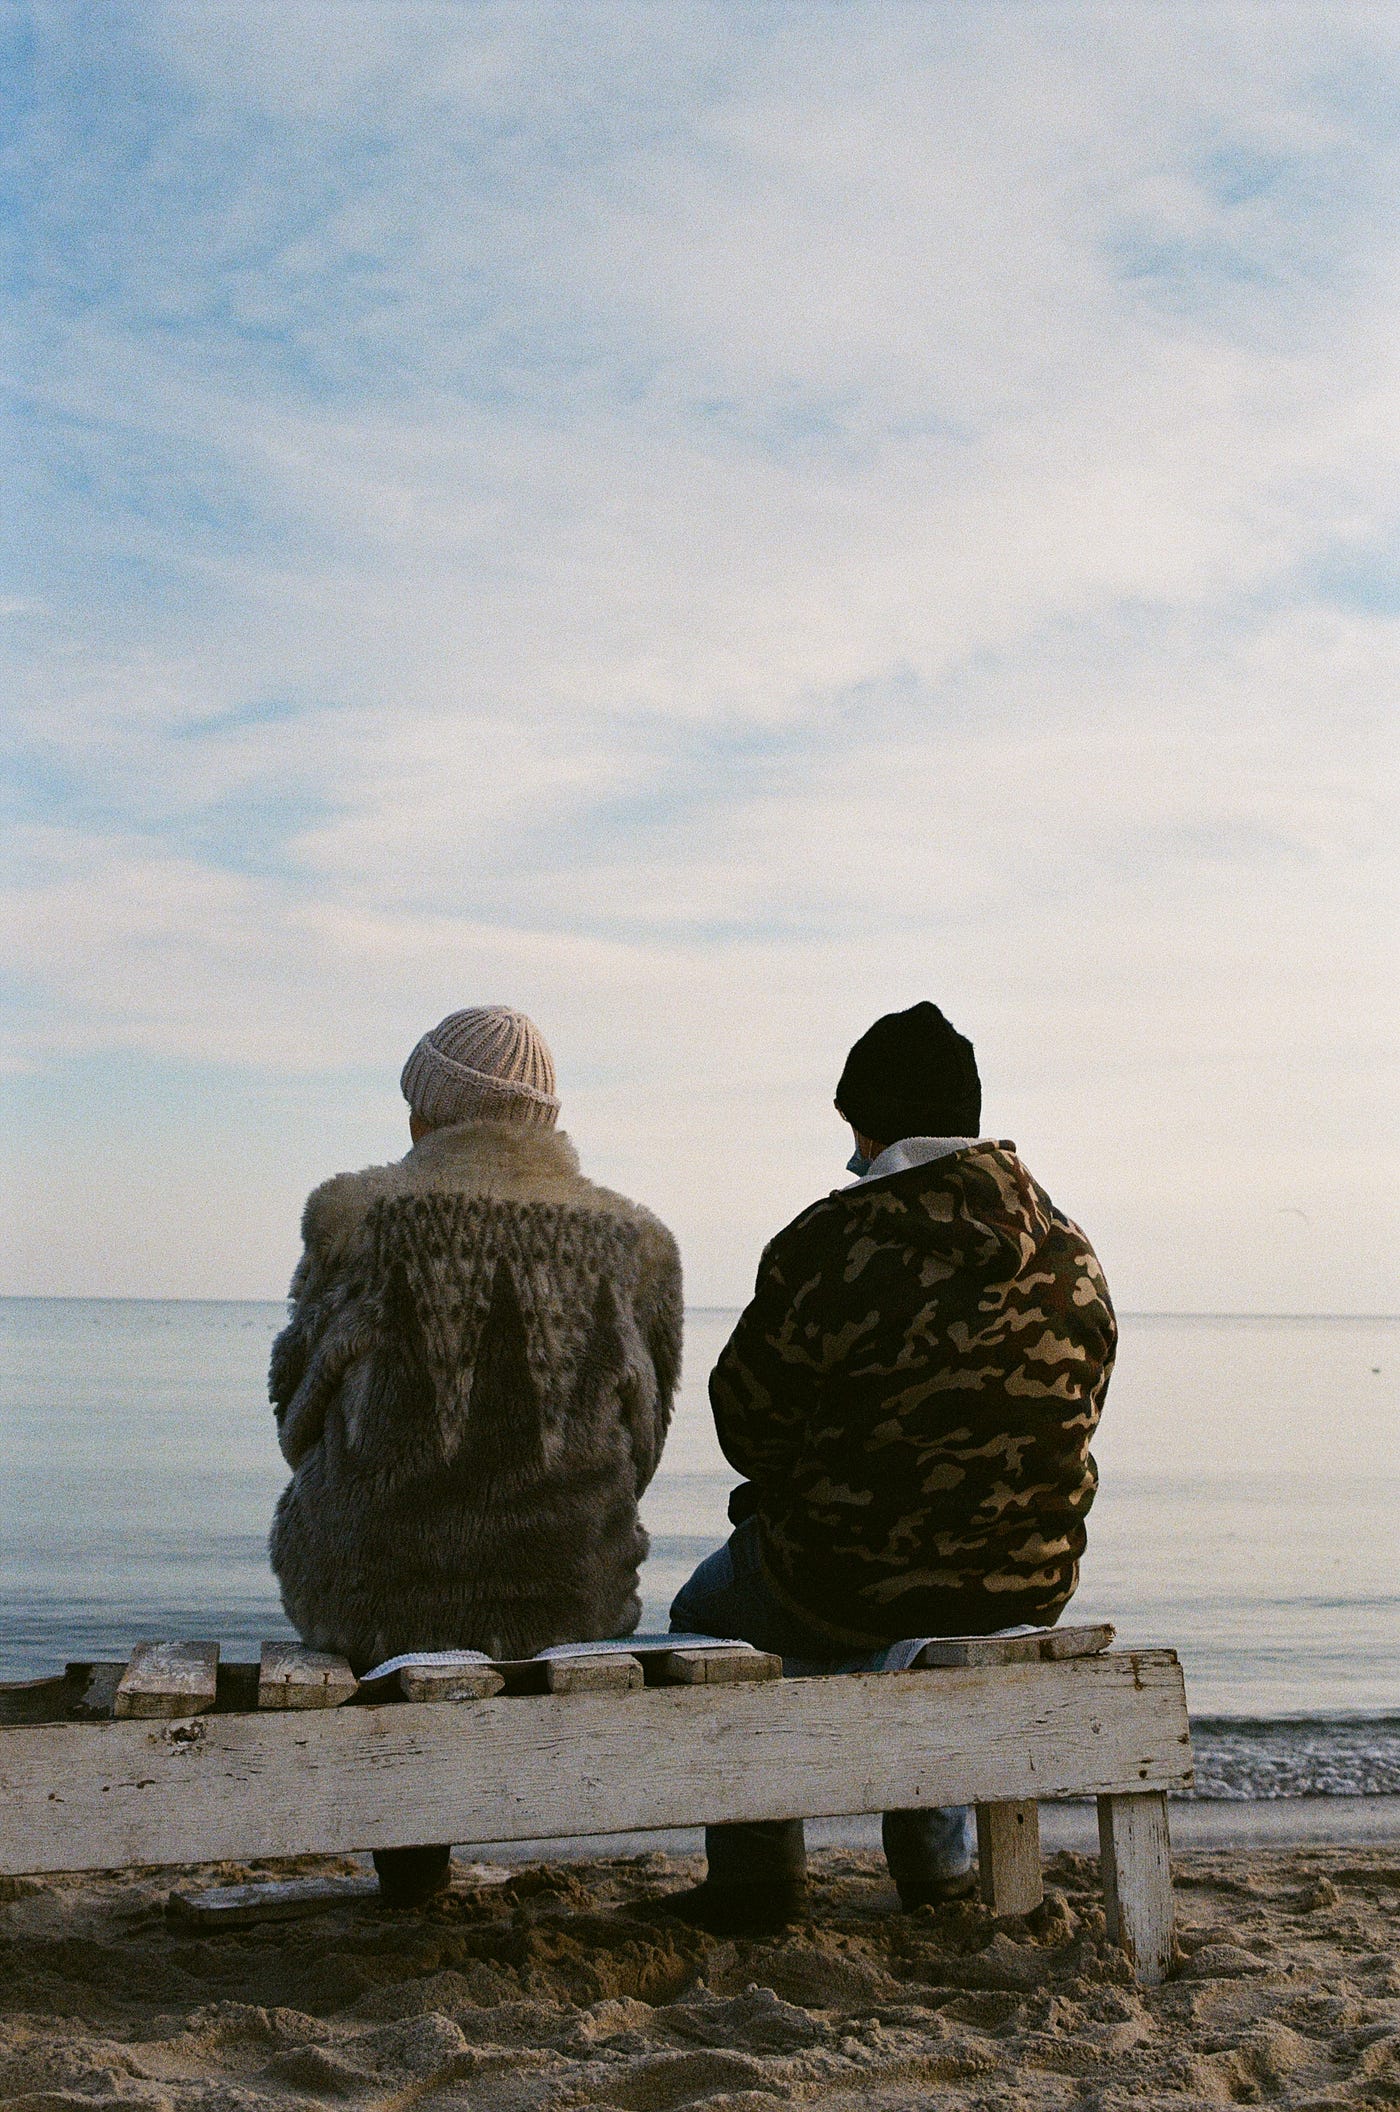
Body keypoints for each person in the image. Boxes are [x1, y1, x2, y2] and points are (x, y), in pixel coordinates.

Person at [665, 1001, 1116, 1936]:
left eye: (854, 1129)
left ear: (878, 1123)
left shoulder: (830, 1242)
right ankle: (937, 1871)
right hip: (1026, 1582)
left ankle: (758, 1880)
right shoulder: (1073, 1250)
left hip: (844, 1580)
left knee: (708, 1616)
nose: (850, 1153)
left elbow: (746, 1423)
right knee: (941, 1608)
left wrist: (794, 1487)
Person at [268, 1006, 683, 1905]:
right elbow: (643, 1444)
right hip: (570, 1597)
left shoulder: (353, 1219)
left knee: (357, 1540)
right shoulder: (635, 1243)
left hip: (368, 1603)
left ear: (431, 1110)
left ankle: (410, 1870)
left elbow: (297, 1417)